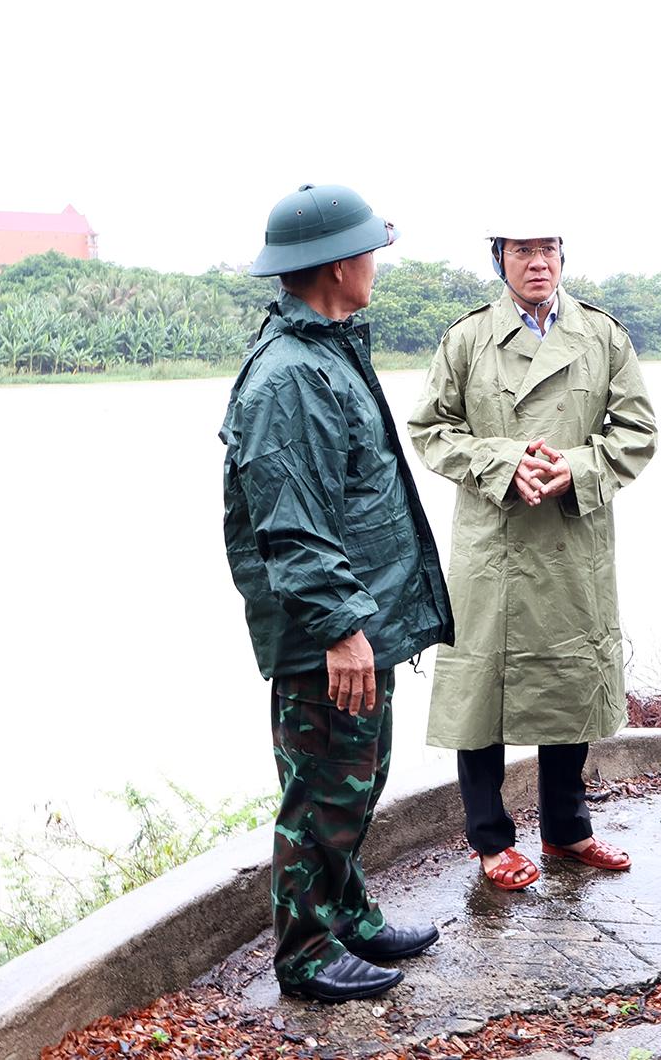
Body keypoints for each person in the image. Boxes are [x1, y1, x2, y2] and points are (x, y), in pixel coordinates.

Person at [220, 184, 454, 1002]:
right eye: (369, 250)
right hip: (329, 634)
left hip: (358, 622)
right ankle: (308, 952)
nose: (376, 264)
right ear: (337, 265)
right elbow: (293, 522)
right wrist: (341, 628)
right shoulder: (289, 376)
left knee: (356, 777)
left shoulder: (327, 350)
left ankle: (347, 911)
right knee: (322, 788)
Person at [409, 224, 657, 890]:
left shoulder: (602, 335)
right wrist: (503, 459)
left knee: (568, 677)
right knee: (479, 688)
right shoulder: (467, 338)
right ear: (499, 259)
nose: (538, 262)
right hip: (493, 540)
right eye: (522, 250)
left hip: (572, 537)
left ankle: (567, 828)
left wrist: (574, 467)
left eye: (548, 248)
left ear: (563, 255)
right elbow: (430, 430)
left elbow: (638, 433)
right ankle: (490, 838)